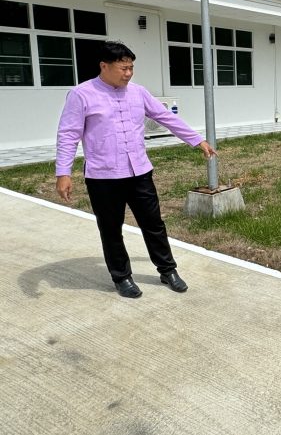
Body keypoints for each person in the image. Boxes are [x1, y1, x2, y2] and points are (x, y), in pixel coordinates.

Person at [55, 41, 216, 298]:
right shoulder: (81, 94)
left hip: (139, 172)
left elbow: (165, 116)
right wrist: (63, 173)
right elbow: (68, 134)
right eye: (123, 68)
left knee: (154, 224)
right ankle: (121, 277)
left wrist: (196, 140)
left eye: (131, 68)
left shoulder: (138, 92)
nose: (128, 73)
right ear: (104, 66)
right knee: (111, 229)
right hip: (103, 177)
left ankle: (168, 270)